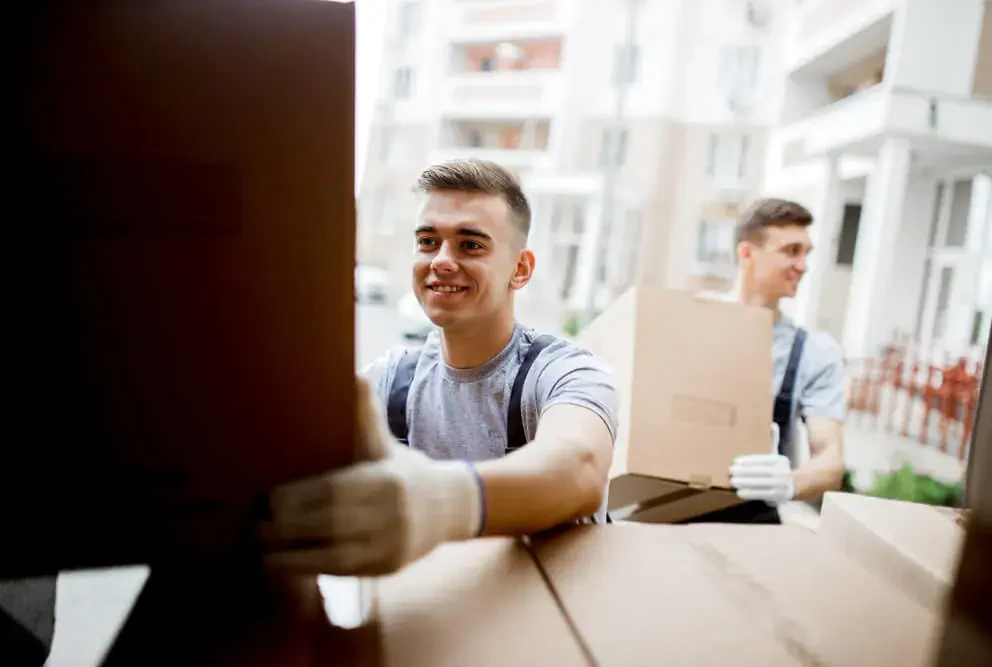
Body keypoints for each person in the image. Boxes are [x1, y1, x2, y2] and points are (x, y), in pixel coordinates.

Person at [260, 159, 619, 576]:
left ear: (519, 269)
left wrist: (442, 504)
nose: (442, 261)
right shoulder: (388, 382)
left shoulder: (565, 373)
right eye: (428, 241)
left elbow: (579, 466)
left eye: (471, 245)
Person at [695, 197, 846, 524]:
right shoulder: (692, 321)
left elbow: (830, 461)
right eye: (791, 251)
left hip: (754, 524)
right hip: (663, 509)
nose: (803, 266)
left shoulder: (815, 353)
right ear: (747, 254)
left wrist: (791, 482)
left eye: (807, 253)